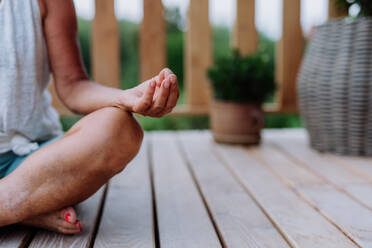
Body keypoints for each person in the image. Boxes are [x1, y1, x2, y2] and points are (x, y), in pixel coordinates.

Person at [0, 0, 179, 234]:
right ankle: (28, 205)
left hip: (33, 159)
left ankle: (16, 204)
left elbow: (74, 86)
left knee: (121, 130)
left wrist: (126, 97)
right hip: (32, 181)